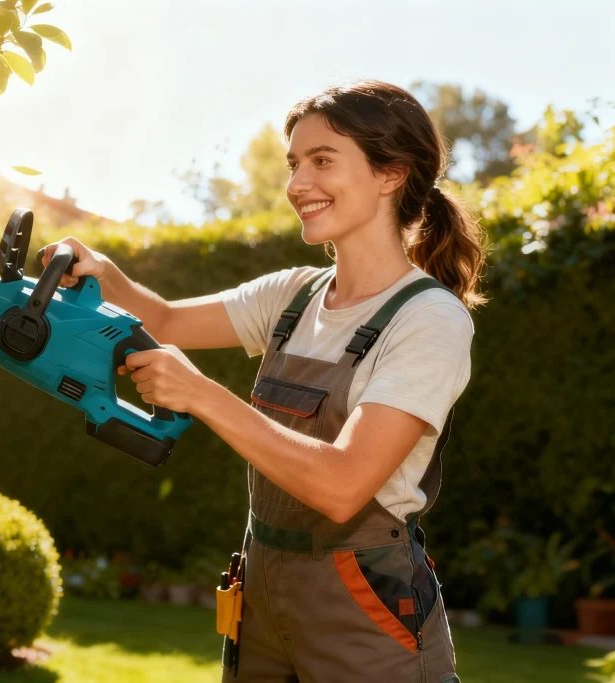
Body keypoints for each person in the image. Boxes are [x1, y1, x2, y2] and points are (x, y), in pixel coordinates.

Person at [39, 79, 485, 682]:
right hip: (263, 582)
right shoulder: (292, 295)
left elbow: (343, 485)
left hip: (363, 601)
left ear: (391, 173)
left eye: (322, 161)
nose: (297, 185)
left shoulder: (428, 319)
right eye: (295, 164)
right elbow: (166, 319)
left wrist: (199, 394)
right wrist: (106, 272)